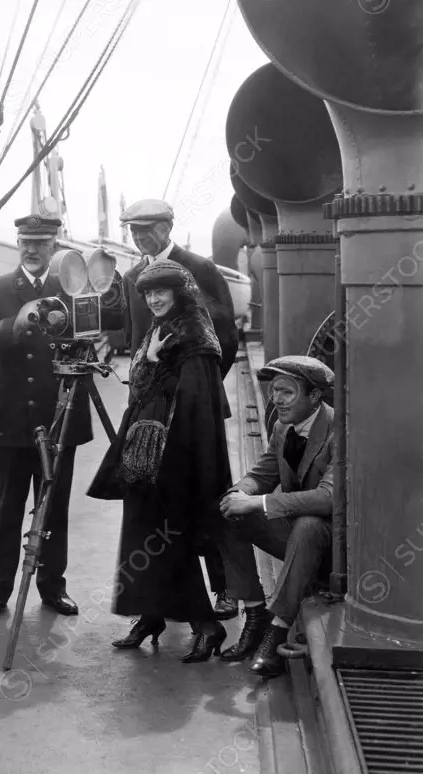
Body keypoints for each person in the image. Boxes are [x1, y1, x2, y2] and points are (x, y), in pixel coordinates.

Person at [88, 260, 232, 662]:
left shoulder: (195, 336)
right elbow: (138, 390)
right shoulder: (160, 328)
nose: (153, 299)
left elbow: (195, 405)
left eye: (161, 292)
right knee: (139, 532)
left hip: (176, 456)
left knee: (171, 539)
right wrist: (149, 361)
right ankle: (150, 614)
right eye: (148, 293)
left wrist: (150, 365)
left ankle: (208, 626)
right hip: (143, 451)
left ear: (178, 293)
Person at [120, 198, 240, 621]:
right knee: (158, 499)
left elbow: (225, 334)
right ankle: (164, 594)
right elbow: (137, 337)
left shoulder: (200, 269)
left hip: (196, 406)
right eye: (133, 230)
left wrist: (197, 386)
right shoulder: (135, 276)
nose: (139, 237)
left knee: (207, 491)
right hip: (151, 405)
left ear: (168, 226)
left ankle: (224, 588)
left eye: (146, 229)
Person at [0, 214, 93, 620]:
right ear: (17, 243)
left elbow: (98, 329)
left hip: (61, 414)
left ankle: (52, 586)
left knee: (53, 507)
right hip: (11, 418)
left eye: (41, 242)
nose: (32, 249)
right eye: (25, 241)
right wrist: (17, 324)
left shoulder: (73, 287)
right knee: (5, 506)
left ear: (54, 246)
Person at [217, 355, 335, 678]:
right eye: (275, 391)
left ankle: (276, 632)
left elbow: (327, 499)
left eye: (287, 392)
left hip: (331, 553)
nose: (278, 400)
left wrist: (258, 503)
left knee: (309, 525)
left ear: (314, 397)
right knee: (229, 511)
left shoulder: (340, 432)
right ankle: (254, 615)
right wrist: (238, 493)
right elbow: (263, 472)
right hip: (295, 539)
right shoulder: (283, 427)